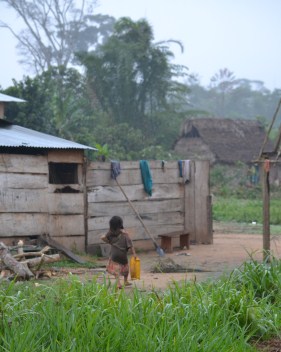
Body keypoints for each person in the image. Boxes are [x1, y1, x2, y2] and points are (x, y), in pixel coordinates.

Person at [101, 216, 136, 289]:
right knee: (126, 268)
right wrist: (134, 254)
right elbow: (130, 244)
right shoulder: (125, 234)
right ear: (120, 224)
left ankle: (118, 283)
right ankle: (125, 281)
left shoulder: (110, 233)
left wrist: (110, 242)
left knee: (116, 270)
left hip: (114, 255)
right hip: (123, 255)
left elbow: (103, 237)